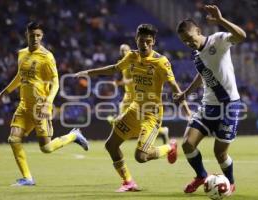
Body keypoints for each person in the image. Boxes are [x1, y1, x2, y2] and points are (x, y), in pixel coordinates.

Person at [76, 24, 191, 192]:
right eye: (141, 40)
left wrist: (187, 113)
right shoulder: (131, 56)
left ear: (153, 42)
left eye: (148, 41)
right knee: (111, 145)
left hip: (151, 114)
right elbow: (114, 69)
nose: (144, 44)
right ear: (136, 40)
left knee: (141, 157)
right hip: (134, 109)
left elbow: (174, 87)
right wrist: (88, 72)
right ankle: (128, 182)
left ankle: (170, 147)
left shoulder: (161, 61)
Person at [0, 22, 89, 186]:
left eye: (38, 35)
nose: (35, 38)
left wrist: (48, 102)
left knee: (46, 148)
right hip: (24, 105)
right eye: (32, 35)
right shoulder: (21, 54)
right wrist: (4, 92)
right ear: (27, 35)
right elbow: (20, 76)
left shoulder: (47, 56)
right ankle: (27, 178)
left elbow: (56, 82)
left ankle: (74, 135)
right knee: (13, 139)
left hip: (40, 106)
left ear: (42, 36)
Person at [175, 5, 246, 195]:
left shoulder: (218, 40)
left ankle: (230, 182)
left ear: (198, 31)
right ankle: (200, 175)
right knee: (187, 144)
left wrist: (221, 20)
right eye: (184, 41)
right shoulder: (197, 55)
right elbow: (202, 75)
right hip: (208, 105)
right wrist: (185, 93)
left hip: (229, 105)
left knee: (220, 153)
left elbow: (241, 36)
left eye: (190, 38)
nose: (188, 43)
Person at [107, 43, 170, 144]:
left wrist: (122, 82)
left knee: (133, 123)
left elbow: (137, 77)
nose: (123, 52)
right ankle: (162, 132)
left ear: (130, 50)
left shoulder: (135, 61)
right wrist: (116, 82)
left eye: (125, 50)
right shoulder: (122, 63)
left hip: (138, 96)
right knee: (121, 121)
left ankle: (162, 131)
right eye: (121, 50)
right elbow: (122, 78)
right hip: (128, 96)